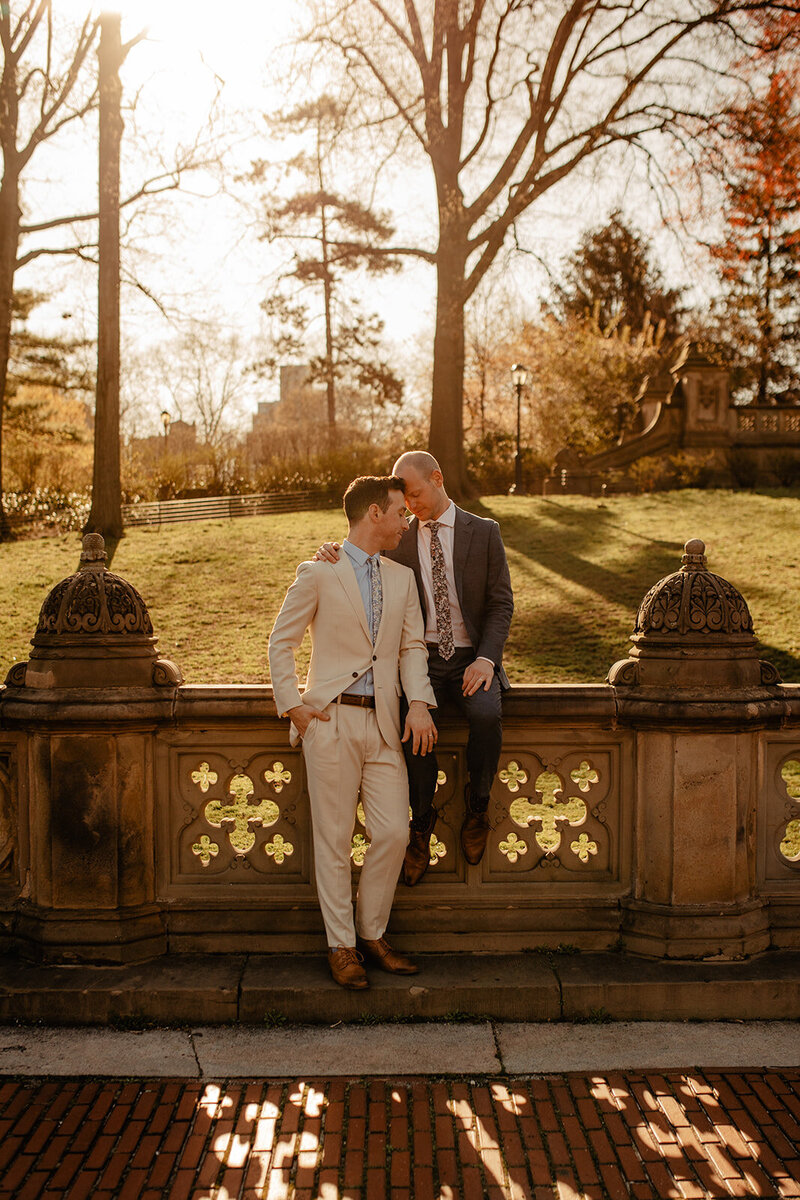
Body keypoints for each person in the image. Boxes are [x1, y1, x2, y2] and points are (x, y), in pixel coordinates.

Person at [268, 475, 437, 990]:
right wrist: (293, 707)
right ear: (373, 513)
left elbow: (412, 648)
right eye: (399, 513)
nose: (406, 521)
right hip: (331, 721)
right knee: (334, 839)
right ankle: (341, 947)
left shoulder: (402, 578)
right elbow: (281, 642)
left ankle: (372, 934)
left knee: (390, 832)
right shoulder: (320, 571)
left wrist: (420, 704)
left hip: (386, 723)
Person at [316, 450, 514, 885]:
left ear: (438, 478)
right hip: (418, 656)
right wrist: (332, 550)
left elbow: (501, 603)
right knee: (413, 731)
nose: (411, 506)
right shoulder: (401, 535)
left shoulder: (484, 532)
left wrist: (485, 658)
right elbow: (363, 543)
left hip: (471, 656)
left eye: (417, 494)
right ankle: (420, 824)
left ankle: (478, 807)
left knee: (485, 715)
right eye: (404, 500)